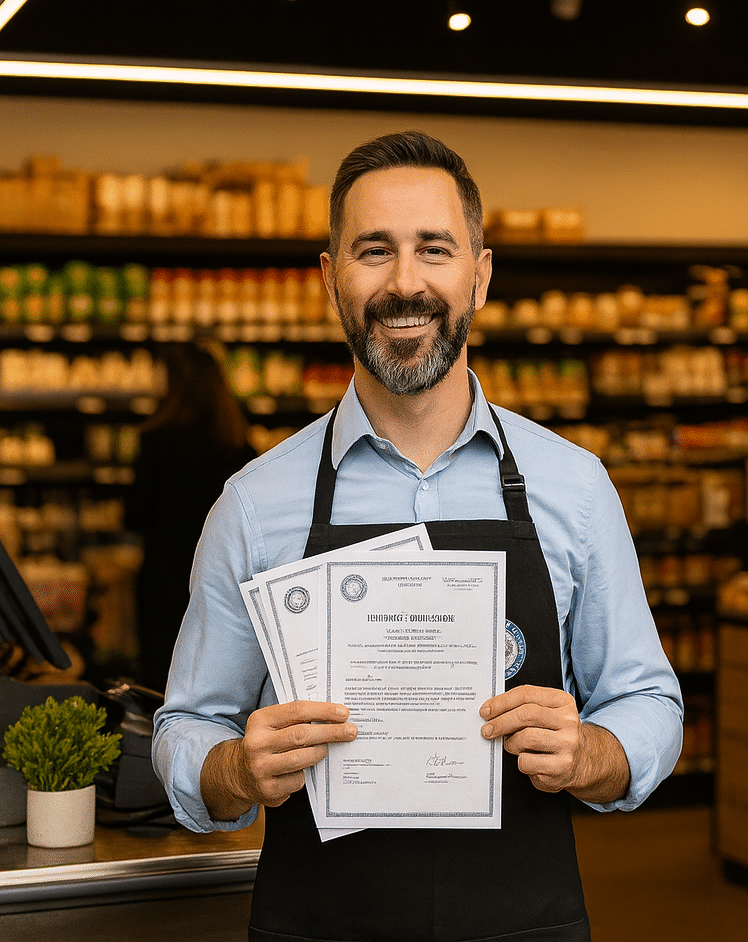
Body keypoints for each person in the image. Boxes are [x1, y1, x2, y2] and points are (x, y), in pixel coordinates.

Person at [152, 131, 683, 942]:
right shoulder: (256, 504)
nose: (405, 283)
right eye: (374, 250)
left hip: (523, 925)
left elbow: (650, 702)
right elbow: (186, 725)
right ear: (331, 278)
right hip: (318, 925)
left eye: (434, 248)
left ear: (480, 272)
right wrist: (232, 766)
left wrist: (589, 753)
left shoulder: (573, 487)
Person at [127, 342, 255, 691]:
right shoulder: (236, 443)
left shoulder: (156, 440)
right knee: (216, 680)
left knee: (162, 682)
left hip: (164, 577)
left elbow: (134, 516)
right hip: (224, 576)